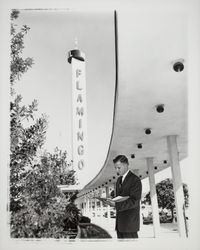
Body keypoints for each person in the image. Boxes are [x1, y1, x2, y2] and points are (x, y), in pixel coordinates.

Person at [111, 155, 142, 239]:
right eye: (115, 168)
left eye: (118, 167)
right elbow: (119, 198)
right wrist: (111, 202)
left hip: (130, 226)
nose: (117, 170)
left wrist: (116, 205)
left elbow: (134, 201)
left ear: (126, 165)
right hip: (119, 226)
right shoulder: (118, 181)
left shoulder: (135, 180)